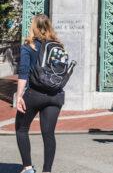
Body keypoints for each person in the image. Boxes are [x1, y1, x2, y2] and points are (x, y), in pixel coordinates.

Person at [15, 15, 65, 173]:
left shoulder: (28, 46)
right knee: (48, 133)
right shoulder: (57, 45)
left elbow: (23, 72)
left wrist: (19, 96)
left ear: (34, 27)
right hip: (55, 94)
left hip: (35, 94)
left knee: (21, 129)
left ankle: (28, 167)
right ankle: (47, 170)